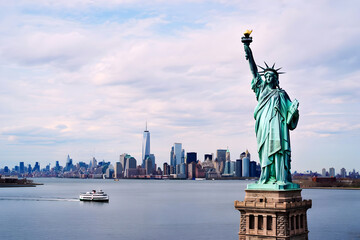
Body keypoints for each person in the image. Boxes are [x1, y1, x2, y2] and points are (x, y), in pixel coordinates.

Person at [243, 41, 299, 185]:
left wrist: (294, 111)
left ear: (276, 79)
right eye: (266, 76)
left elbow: (289, 115)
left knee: (278, 149)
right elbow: (254, 70)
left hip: (278, 127)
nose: (268, 78)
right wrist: (248, 49)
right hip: (264, 124)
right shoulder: (261, 89)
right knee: (265, 149)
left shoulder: (281, 93)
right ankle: (266, 177)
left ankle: (280, 177)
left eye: (271, 76)